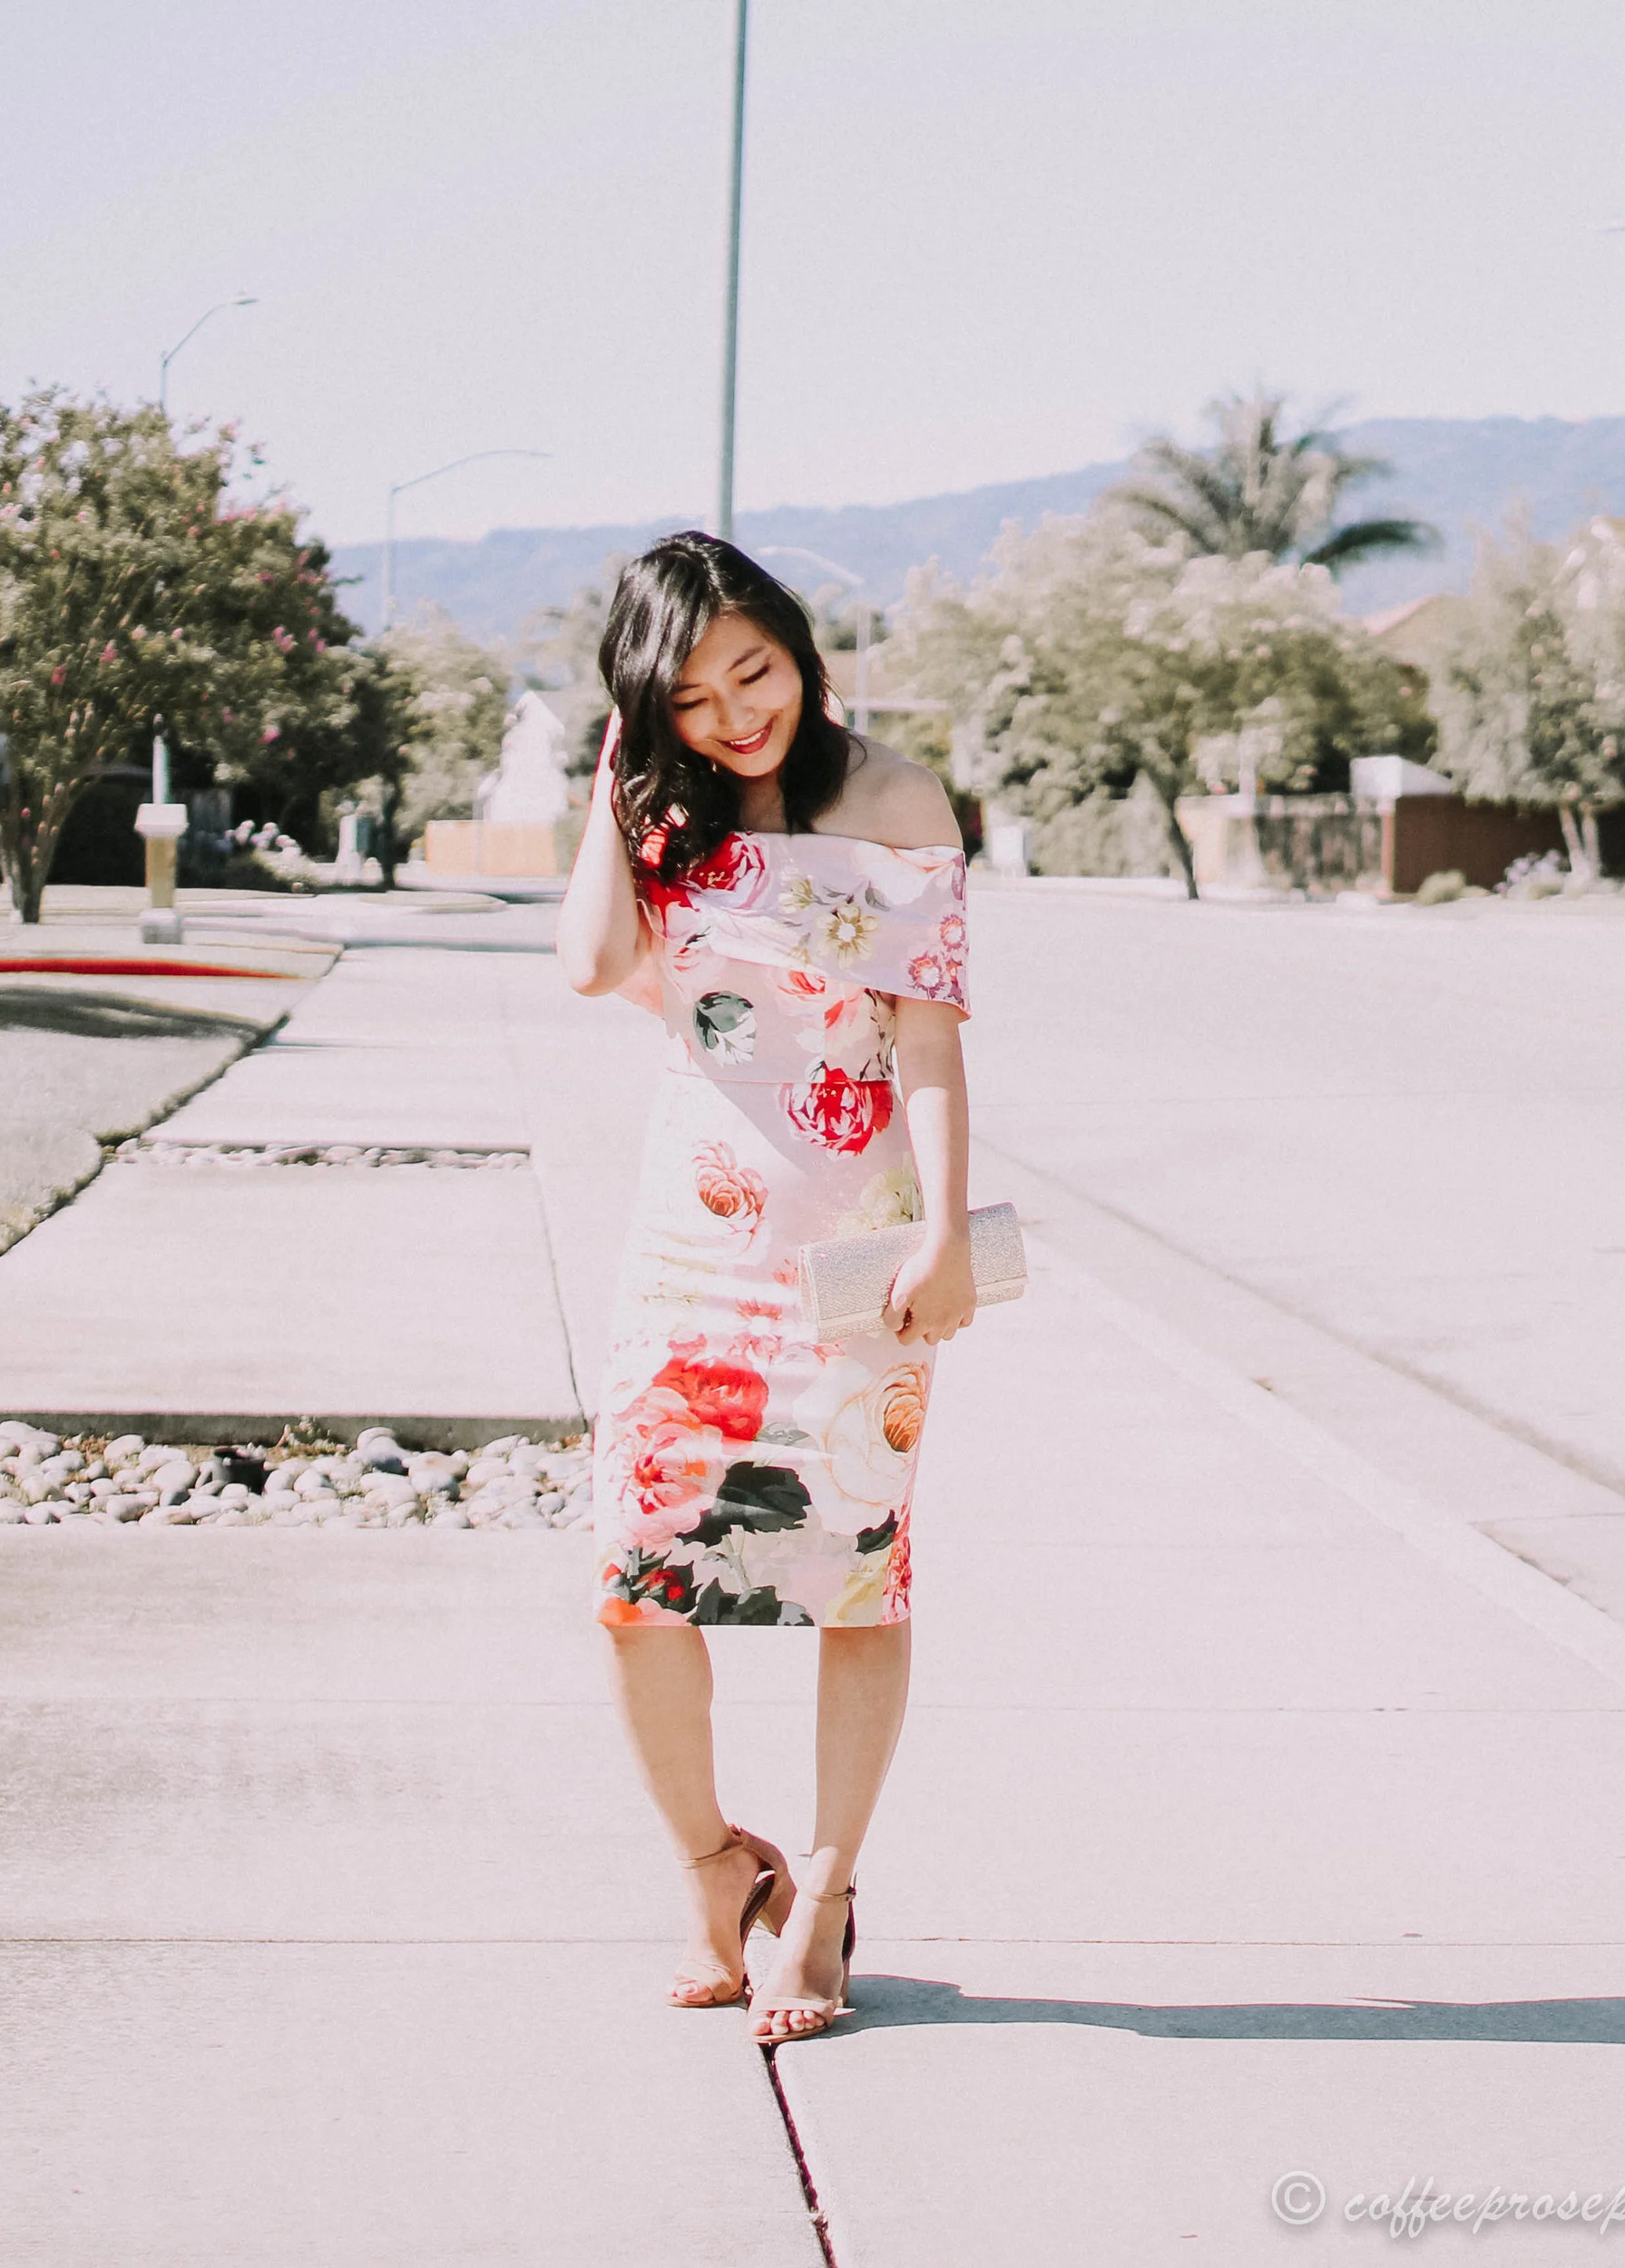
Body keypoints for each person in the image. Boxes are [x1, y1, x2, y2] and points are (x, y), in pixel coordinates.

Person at [554, 531, 975, 2044]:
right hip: (692, 1237)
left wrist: (940, 1233)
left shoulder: (892, 798)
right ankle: (713, 1865)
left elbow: (927, 1036)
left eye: (758, 670)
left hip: (856, 1237)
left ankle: (834, 1894)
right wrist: (615, 777)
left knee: (860, 1575)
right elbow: (596, 964)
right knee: (638, 1584)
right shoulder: (660, 811)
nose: (738, 712)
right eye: (691, 695)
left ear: (801, 652)